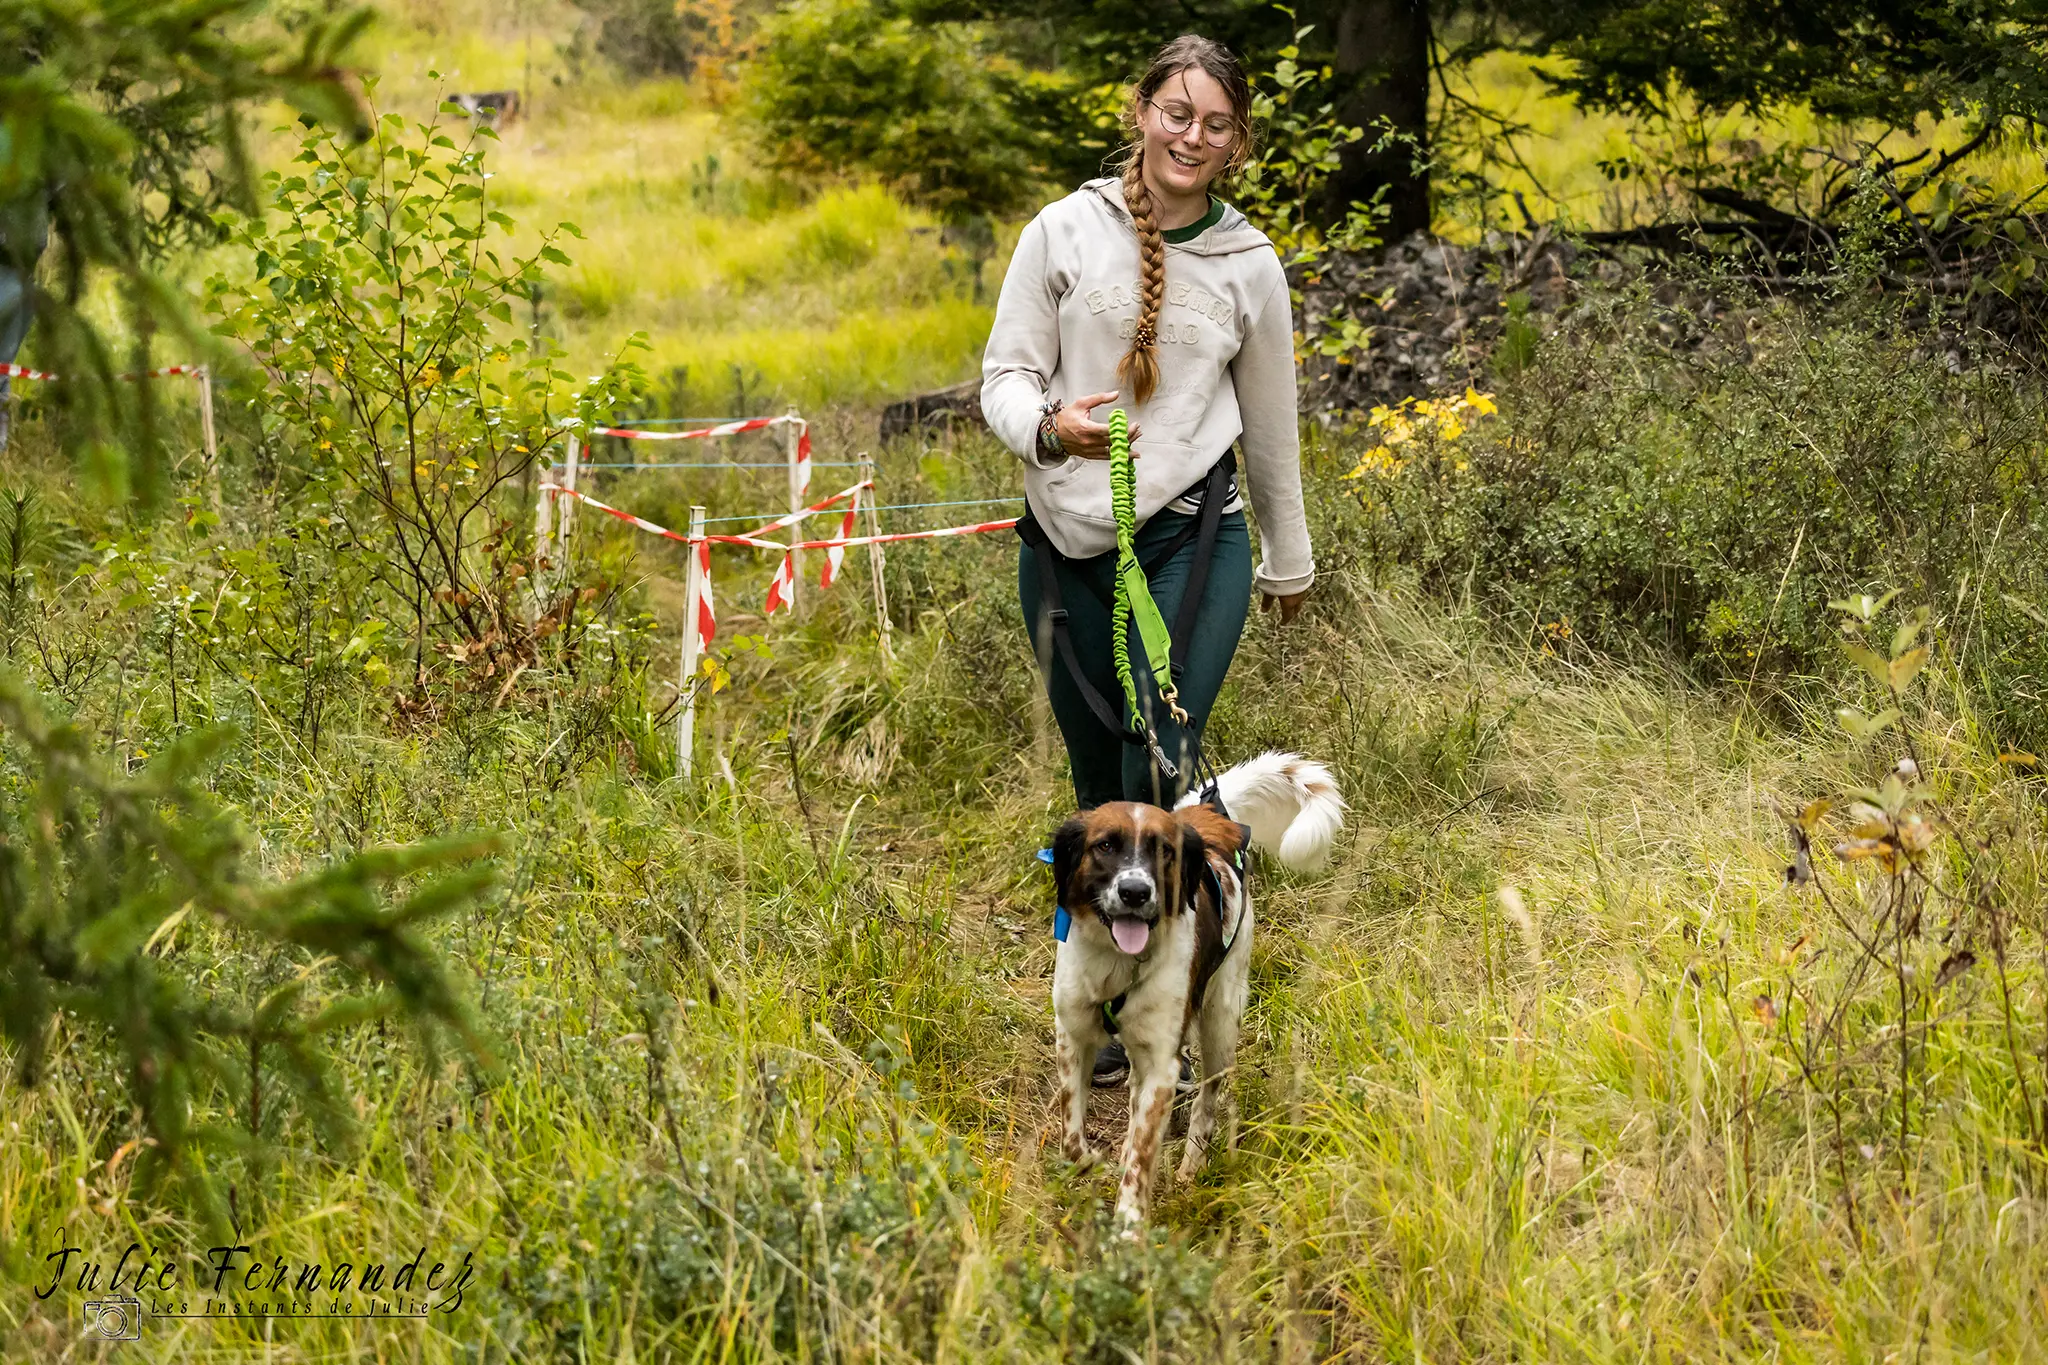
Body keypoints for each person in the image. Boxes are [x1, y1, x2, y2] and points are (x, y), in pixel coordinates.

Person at [981, 35, 1315, 1087]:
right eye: (1177, 113)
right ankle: (1092, 992)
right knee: (1094, 788)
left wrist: (1287, 560)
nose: (1192, 136)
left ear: (1236, 144)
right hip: (1064, 541)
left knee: (1154, 747)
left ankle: (1169, 989)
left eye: (1215, 124)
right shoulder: (1061, 230)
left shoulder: (1248, 264)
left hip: (1195, 535)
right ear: (1139, 112)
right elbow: (1002, 374)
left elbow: (1271, 427)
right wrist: (1045, 426)